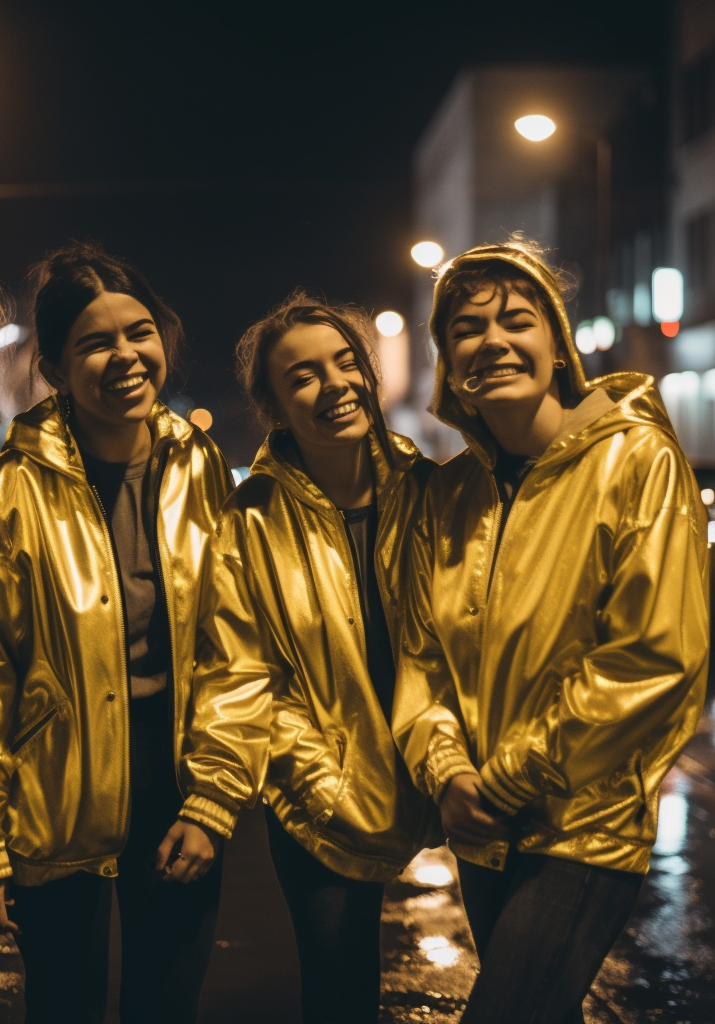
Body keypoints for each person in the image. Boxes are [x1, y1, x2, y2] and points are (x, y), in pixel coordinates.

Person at [0, 242, 232, 1024]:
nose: (125, 356)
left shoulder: (198, 466)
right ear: (53, 367)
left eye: (139, 333)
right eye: (95, 342)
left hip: (179, 780)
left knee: (168, 1004)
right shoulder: (11, 492)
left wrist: (215, 797)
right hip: (51, 787)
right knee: (63, 1006)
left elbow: (235, 645)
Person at [392, 238, 710, 1024]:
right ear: (448, 359)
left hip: (581, 824)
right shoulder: (453, 492)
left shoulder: (635, 459)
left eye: (517, 320)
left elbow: (654, 655)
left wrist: (503, 781)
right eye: (466, 328)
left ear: (557, 344)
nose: (492, 340)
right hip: (481, 826)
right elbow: (420, 655)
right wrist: (447, 772)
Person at [171, 293, 437, 1024]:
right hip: (319, 783)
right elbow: (240, 671)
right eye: (304, 377)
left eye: (346, 363)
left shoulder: (432, 495)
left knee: (524, 981)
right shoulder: (251, 518)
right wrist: (223, 795)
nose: (336, 385)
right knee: (340, 988)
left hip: (446, 770)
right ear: (275, 407)